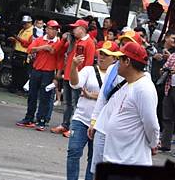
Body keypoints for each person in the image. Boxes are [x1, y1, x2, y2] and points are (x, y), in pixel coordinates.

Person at [66, 42, 120, 180]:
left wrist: (92, 95)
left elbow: (114, 97)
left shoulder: (117, 76)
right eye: (100, 53)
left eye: (106, 55)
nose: (101, 57)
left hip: (101, 124)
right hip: (81, 119)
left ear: (114, 58)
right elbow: (74, 83)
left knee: (94, 159)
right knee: (73, 152)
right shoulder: (89, 70)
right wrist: (73, 66)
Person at [102, 42, 160, 166]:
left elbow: (151, 124)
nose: (116, 64)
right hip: (115, 159)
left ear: (127, 61)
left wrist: (153, 144)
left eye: (119, 60)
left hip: (132, 161)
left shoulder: (144, 88)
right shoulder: (128, 85)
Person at [51, 19, 96, 137]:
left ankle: (73, 128)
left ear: (82, 29)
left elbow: (89, 63)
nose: (73, 30)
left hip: (78, 78)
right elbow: (57, 50)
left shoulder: (89, 43)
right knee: (67, 103)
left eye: (75, 28)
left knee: (76, 103)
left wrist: (85, 80)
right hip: (68, 75)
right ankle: (65, 124)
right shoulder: (74, 41)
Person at [16, 20, 62, 130]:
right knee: (32, 95)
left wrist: (57, 76)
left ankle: (41, 120)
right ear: (47, 29)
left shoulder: (58, 43)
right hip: (36, 70)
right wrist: (43, 48)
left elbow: (60, 60)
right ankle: (29, 118)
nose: (54, 31)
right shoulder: (40, 40)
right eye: (52, 28)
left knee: (45, 97)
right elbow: (29, 49)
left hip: (49, 72)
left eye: (55, 29)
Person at [8, 15, 34, 92]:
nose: (24, 25)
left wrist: (17, 38)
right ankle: (14, 86)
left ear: (30, 23)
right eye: (23, 23)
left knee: (21, 72)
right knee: (15, 70)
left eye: (26, 23)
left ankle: (19, 88)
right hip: (17, 52)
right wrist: (14, 39)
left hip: (24, 54)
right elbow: (19, 41)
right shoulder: (22, 30)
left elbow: (27, 44)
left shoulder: (32, 32)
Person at [159, 37, 175, 153]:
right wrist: (165, 70)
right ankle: (165, 144)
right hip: (170, 88)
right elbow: (164, 68)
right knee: (167, 117)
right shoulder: (173, 56)